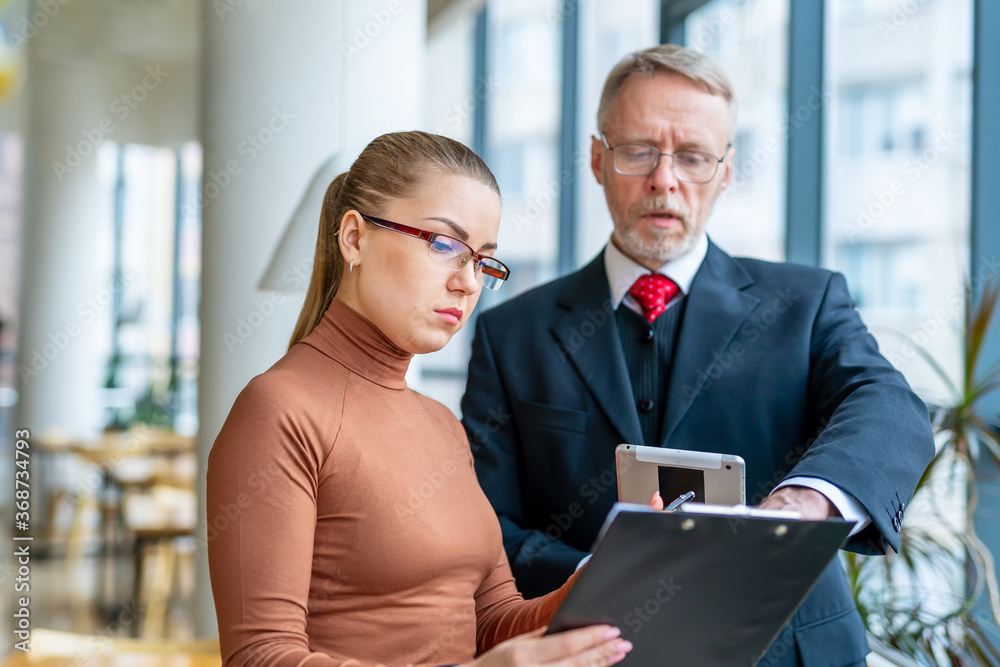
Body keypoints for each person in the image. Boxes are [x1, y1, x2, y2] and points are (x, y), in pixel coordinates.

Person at [461, 45, 935, 666]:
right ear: (598, 159)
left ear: (727, 171)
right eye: (638, 151)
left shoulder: (807, 302)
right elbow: (484, 523)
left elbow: (891, 408)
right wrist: (599, 573)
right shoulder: (509, 332)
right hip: (590, 650)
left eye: (693, 157)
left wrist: (800, 506)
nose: (665, 179)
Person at [207, 132, 634, 667]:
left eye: (483, 261)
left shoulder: (440, 423)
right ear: (355, 238)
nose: (467, 282)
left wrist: (600, 579)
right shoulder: (278, 410)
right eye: (443, 244)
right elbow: (259, 657)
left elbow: (492, 622)